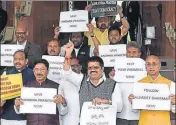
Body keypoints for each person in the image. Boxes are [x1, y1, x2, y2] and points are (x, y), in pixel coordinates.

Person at [63, 42, 123, 118]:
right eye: (90, 68)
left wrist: (106, 102)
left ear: (102, 69)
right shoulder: (81, 80)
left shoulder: (112, 84)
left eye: (96, 67)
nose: (92, 70)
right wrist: (68, 55)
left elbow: (120, 107)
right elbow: (67, 72)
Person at [14, 59, 68, 125]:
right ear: (33, 71)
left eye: (42, 69)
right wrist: (17, 106)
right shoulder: (26, 87)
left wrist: (63, 102)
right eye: (36, 69)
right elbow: (21, 111)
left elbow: (63, 112)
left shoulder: (56, 87)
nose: (39, 72)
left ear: (47, 71)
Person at [128, 55, 176, 125]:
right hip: (144, 122)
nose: (151, 67)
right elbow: (134, 111)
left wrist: (174, 103)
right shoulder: (138, 85)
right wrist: (132, 102)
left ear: (159, 66)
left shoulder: (170, 84)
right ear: (145, 67)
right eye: (148, 64)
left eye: (154, 64)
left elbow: (174, 110)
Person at [108, 41, 142, 125]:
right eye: (129, 52)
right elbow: (112, 89)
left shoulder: (145, 68)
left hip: (138, 115)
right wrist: (112, 79)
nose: (131, 55)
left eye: (134, 52)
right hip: (121, 114)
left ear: (139, 54)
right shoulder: (119, 66)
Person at [1, 50, 35, 125]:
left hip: (25, 118)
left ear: (26, 61)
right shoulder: (6, 74)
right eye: (15, 59)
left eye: (20, 59)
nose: (17, 61)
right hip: (6, 117)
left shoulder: (34, 74)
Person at [59, 58, 82, 125]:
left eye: (76, 65)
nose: (73, 68)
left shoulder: (86, 80)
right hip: (68, 121)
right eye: (71, 66)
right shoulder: (62, 82)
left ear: (81, 67)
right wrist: (63, 103)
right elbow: (61, 110)